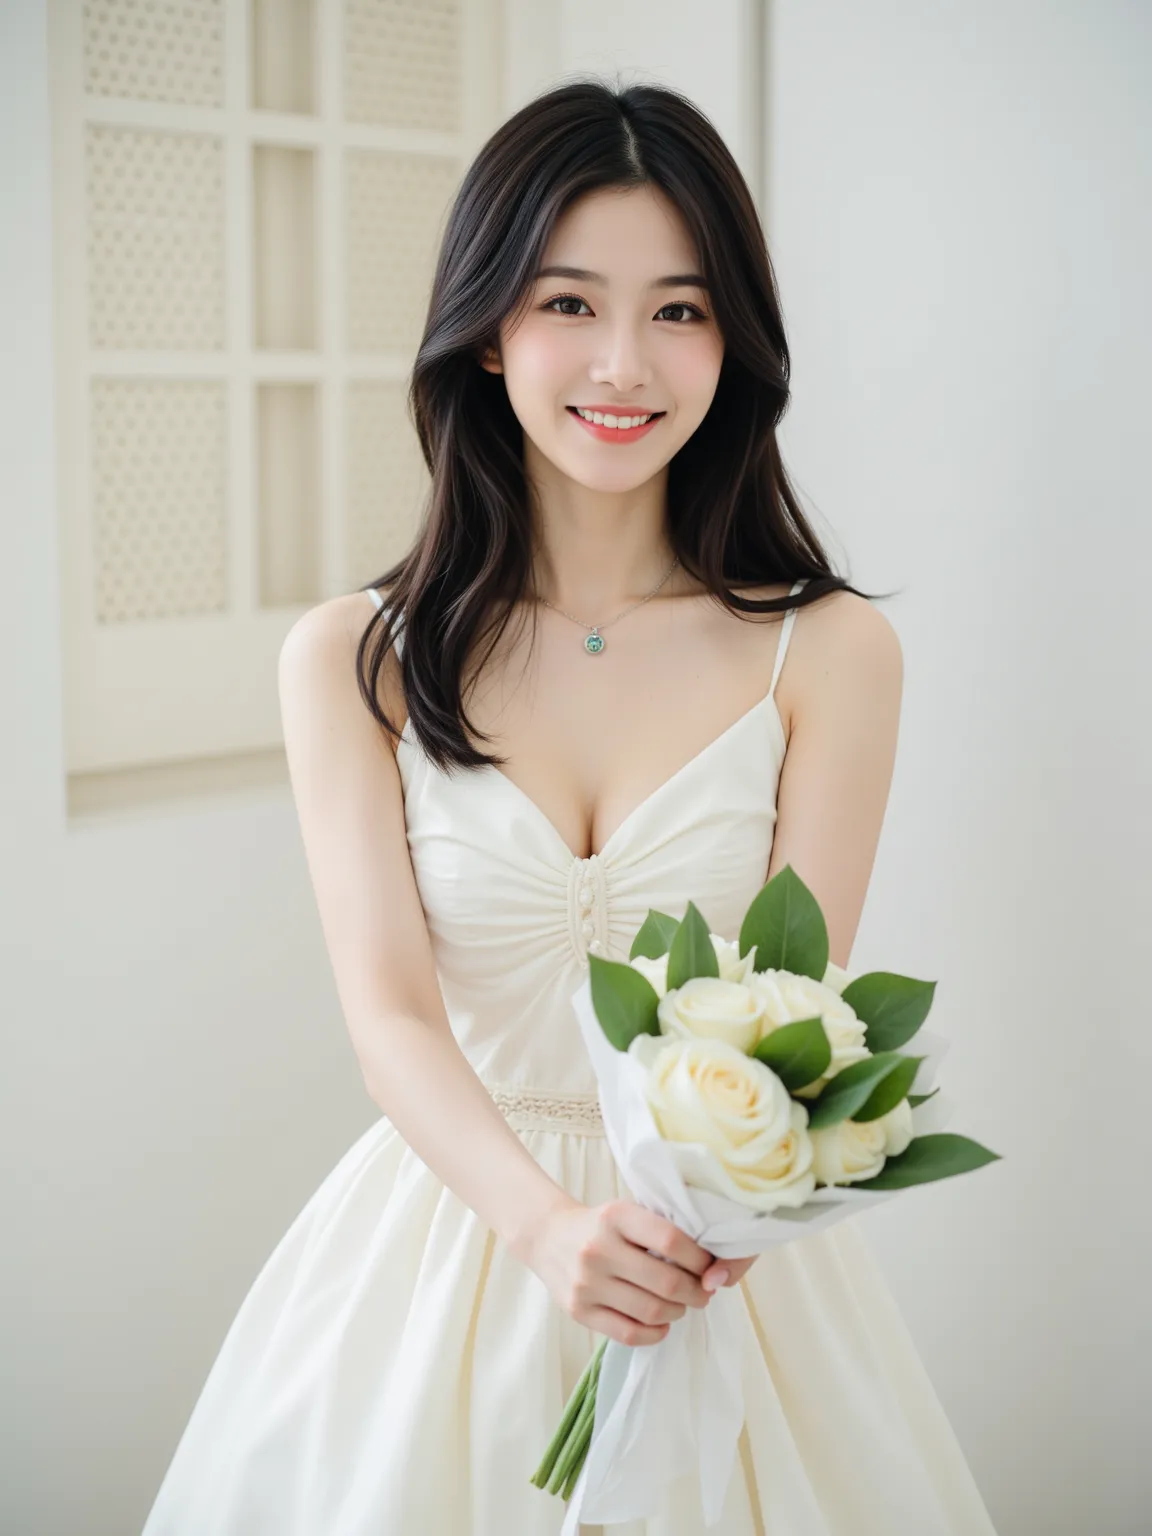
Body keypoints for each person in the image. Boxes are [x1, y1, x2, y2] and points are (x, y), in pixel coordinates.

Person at [141, 79, 998, 1535]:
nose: (624, 362)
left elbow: (790, 1016)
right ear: (487, 328)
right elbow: (392, 1017)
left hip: (714, 1271)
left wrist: (687, 1234)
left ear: (735, 342)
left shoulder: (831, 653)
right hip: (448, 1241)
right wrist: (546, 1232)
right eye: (567, 303)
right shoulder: (355, 660)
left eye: (679, 310)